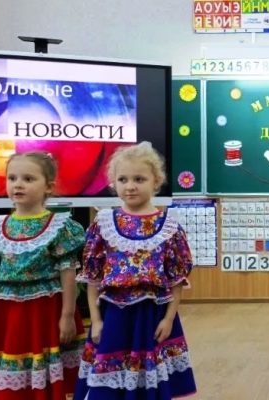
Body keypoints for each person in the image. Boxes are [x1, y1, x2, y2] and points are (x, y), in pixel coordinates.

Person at [75, 142, 197, 399]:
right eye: (123, 179)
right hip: (113, 315)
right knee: (109, 385)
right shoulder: (103, 224)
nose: (130, 186)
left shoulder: (169, 226)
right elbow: (93, 278)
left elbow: (176, 280)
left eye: (139, 179)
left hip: (152, 315)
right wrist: (96, 321)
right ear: (114, 182)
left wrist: (168, 319)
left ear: (156, 181)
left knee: (149, 384)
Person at [0, 152, 85, 399]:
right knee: (10, 370)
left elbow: (68, 273)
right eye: (12, 178)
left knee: (42, 369)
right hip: (5, 314)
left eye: (28, 179)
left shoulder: (60, 228)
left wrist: (67, 316)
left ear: (48, 187)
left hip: (44, 312)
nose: (18, 184)